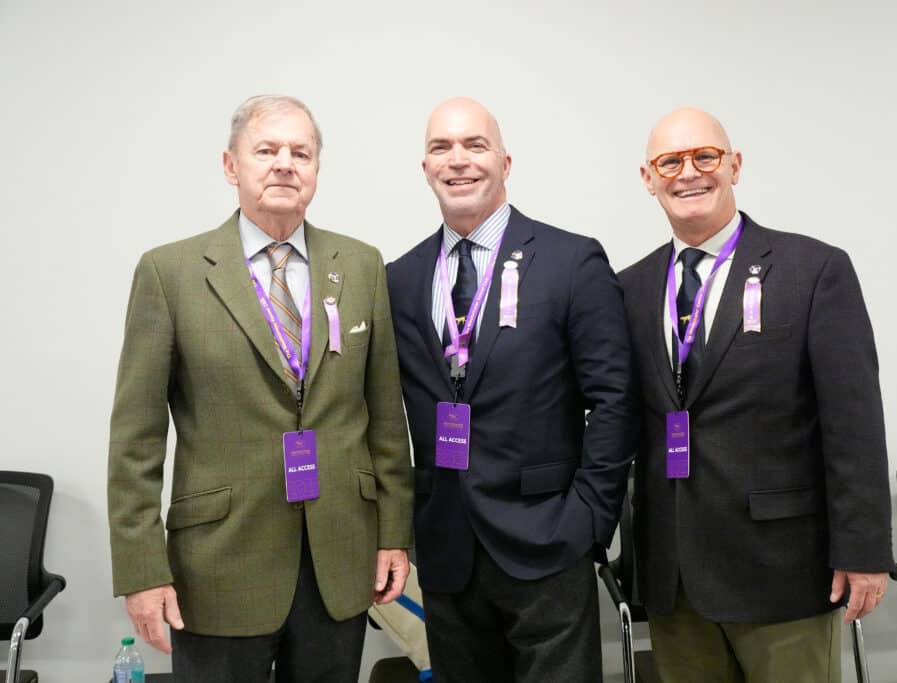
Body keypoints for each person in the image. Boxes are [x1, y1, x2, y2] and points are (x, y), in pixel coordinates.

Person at [107, 95, 413, 683]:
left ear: (316, 170)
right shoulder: (170, 274)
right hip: (220, 564)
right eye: (266, 150)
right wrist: (142, 569)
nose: (284, 164)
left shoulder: (361, 266)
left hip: (339, 556)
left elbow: (384, 416)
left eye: (301, 152)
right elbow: (134, 440)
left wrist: (394, 534)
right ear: (231, 166)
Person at [617, 108, 892, 682]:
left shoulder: (811, 270)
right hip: (674, 574)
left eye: (705, 156)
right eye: (670, 161)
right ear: (648, 177)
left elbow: (854, 421)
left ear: (734, 165)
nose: (688, 172)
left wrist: (864, 550)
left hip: (781, 570)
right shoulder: (631, 287)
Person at [386, 97, 634, 683]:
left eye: (475, 145)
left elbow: (615, 398)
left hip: (547, 539)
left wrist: (589, 518)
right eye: (441, 147)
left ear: (505, 161)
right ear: (425, 167)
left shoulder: (570, 260)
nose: (459, 160)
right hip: (446, 548)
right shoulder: (400, 278)